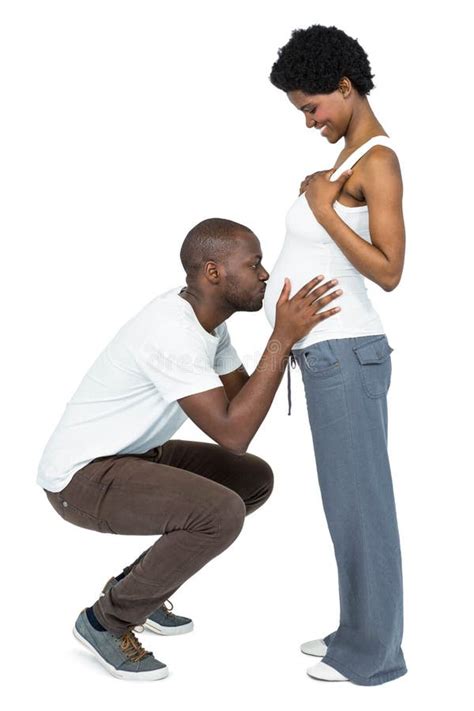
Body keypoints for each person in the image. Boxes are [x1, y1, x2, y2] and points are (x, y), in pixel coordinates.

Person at [38, 216, 342, 681]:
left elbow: (241, 406)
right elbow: (232, 431)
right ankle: (106, 621)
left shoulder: (209, 325)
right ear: (214, 273)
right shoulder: (171, 331)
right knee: (219, 512)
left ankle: (139, 588)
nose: (264, 274)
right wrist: (282, 337)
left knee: (251, 479)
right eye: (254, 263)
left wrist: (288, 340)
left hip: (132, 456)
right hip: (80, 480)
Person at [263, 24, 407, 686]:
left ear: (344, 89)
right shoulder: (343, 162)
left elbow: (390, 269)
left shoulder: (376, 161)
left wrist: (322, 208)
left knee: (363, 504)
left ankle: (376, 654)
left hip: (347, 355)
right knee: (342, 502)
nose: (308, 121)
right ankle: (356, 629)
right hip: (327, 358)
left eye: (311, 107)